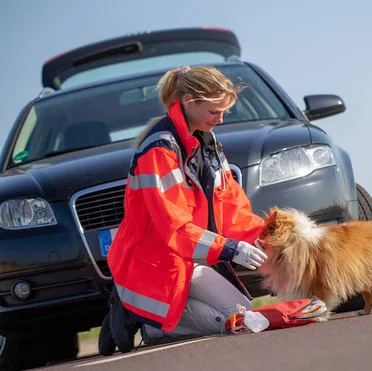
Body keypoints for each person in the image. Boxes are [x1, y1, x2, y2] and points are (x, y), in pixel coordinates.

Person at [100, 65, 269, 354]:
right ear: (190, 102)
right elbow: (173, 228)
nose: (221, 119)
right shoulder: (160, 150)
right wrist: (229, 249)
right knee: (236, 320)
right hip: (157, 261)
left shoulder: (207, 141)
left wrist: (262, 238)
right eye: (215, 111)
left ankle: (154, 319)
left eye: (224, 111)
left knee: (245, 312)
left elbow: (230, 206)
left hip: (190, 257)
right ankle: (141, 317)